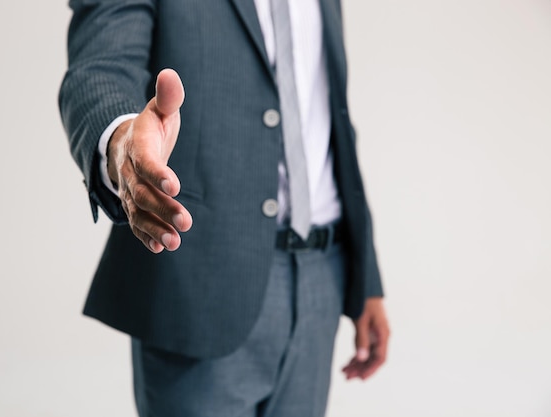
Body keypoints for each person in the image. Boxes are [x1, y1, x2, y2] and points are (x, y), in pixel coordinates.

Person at [59, 0, 390, 416]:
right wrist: (121, 144)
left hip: (323, 279)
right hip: (199, 283)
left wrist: (367, 278)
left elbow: (326, 114)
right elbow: (100, 69)